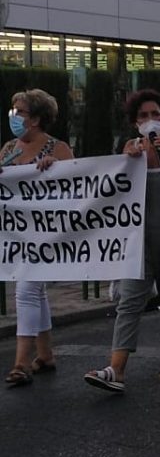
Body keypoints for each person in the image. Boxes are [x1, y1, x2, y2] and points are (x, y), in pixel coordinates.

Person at [85, 89, 160, 393]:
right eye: (144, 116)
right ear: (135, 123)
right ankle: (117, 368)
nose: (151, 121)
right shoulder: (130, 149)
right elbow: (116, 189)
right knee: (129, 300)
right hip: (138, 240)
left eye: (156, 115)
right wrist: (127, 160)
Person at [2, 90, 74, 387]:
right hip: (18, 235)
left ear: (36, 119)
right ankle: (44, 355)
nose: (14, 117)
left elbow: (80, 185)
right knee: (35, 291)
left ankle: (21, 363)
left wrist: (54, 173)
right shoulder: (8, 149)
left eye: (20, 112)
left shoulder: (58, 149)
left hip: (48, 234)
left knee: (26, 289)